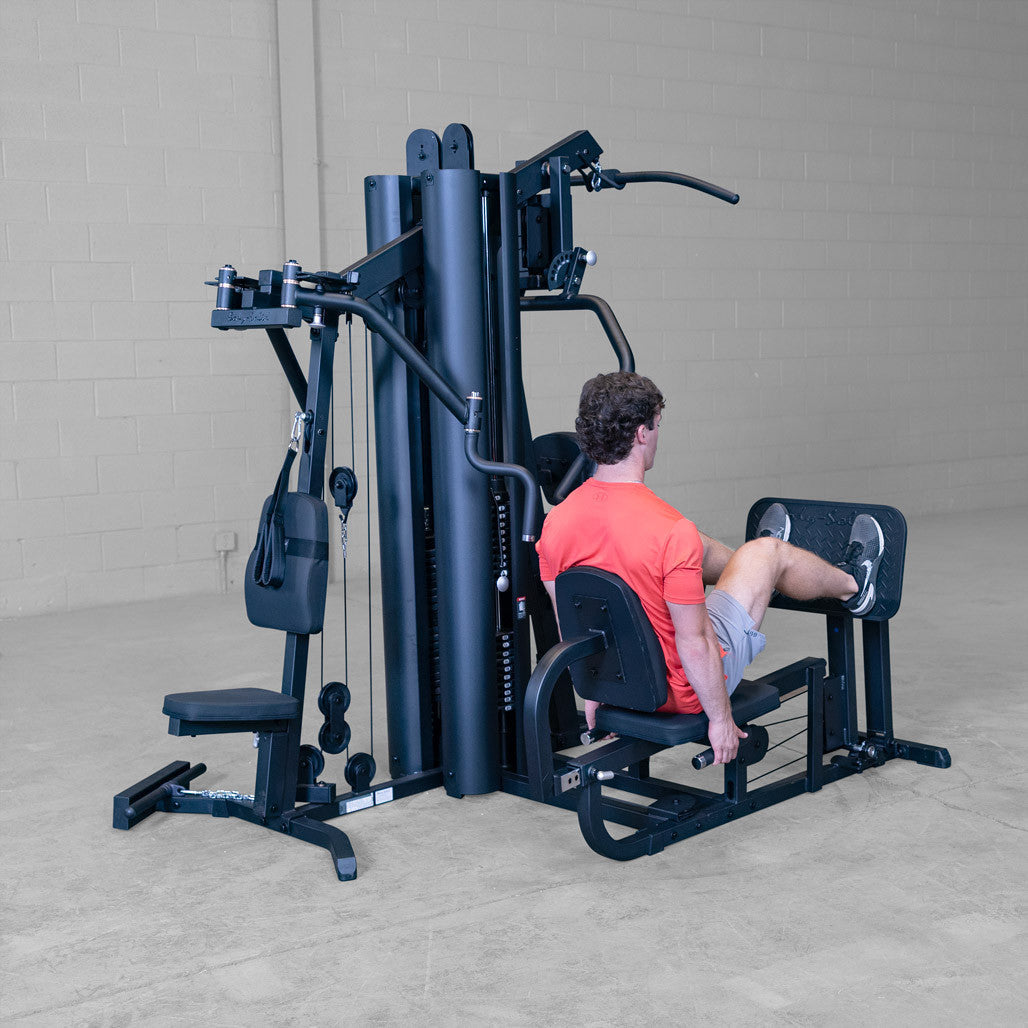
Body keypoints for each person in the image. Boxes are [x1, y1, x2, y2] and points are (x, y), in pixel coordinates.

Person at [536, 372, 885, 766]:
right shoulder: (668, 529)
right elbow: (696, 641)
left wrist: (596, 689)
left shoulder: (555, 524)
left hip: (623, 681)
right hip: (682, 689)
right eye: (657, 426)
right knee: (767, 551)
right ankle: (852, 584)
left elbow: (573, 623)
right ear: (641, 434)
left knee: (692, 546)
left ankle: (756, 572)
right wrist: (720, 719)